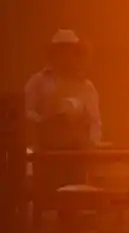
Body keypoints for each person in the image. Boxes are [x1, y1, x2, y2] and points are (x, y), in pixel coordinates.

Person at [24, 29, 102, 189]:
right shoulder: (39, 82)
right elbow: (25, 111)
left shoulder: (86, 86)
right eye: (62, 51)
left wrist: (91, 145)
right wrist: (44, 120)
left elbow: (95, 121)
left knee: (75, 197)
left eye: (71, 52)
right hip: (47, 155)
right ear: (54, 54)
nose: (66, 57)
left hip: (76, 156)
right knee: (47, 196)